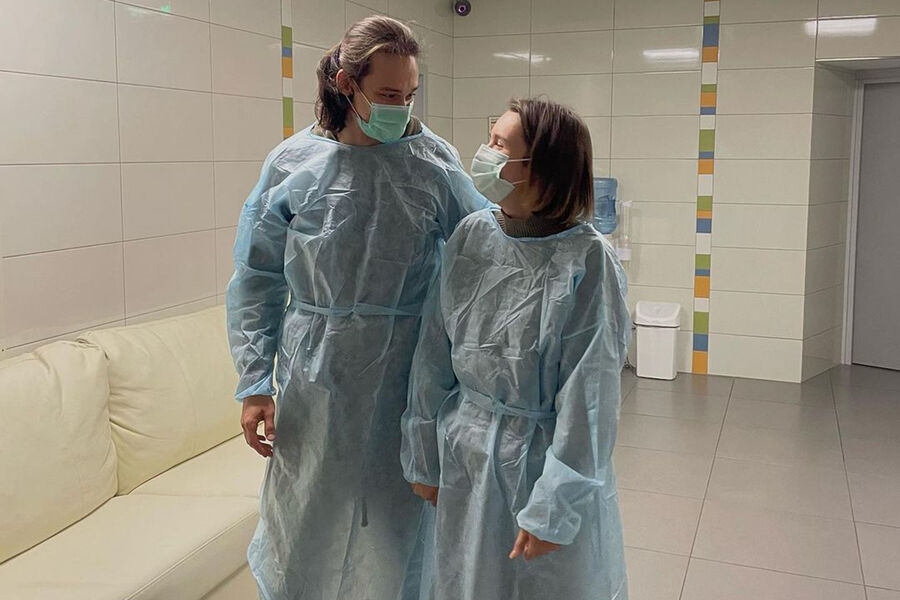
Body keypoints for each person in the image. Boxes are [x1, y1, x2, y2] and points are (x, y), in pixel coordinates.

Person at [226, 16, 487, 600]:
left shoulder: (433, 163)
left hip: (408, 381)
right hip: (315, 379)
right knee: (306, 520)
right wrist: (255, 383)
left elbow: (484, 254)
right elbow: (257, 278)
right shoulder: (293, 164)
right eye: (388, 94)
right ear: (347, 84)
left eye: (410, 94)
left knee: (400, 526)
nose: (402, 108)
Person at [401, 98, 631, 600]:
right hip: (464, 451)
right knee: (464, 581)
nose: (484, 153)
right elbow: (433, 353)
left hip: (538, 462)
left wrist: (555, 505)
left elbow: (590, 399)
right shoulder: (471, 236)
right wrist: (423, 453)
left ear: (539, 167)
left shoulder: (588, 262)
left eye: (499, 145)